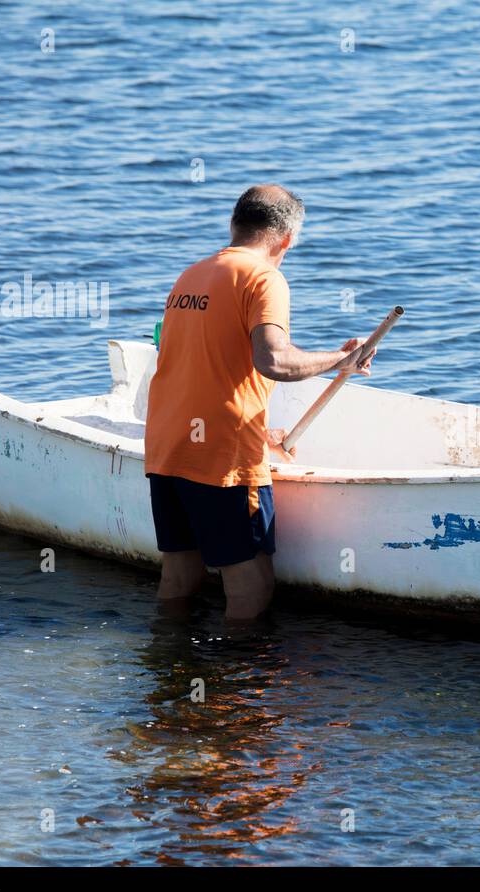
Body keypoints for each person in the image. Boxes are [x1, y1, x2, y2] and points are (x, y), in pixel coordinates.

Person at [144, 184, 374, 619]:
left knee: (180, 577)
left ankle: (166, 670)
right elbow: (273, 361)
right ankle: (236, 683)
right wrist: (342, 359)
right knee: (251, 584)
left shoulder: (192, 274)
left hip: (168, 446)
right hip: (221, 460)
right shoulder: (264, 278)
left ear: (234, 225)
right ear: (286, 239)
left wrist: (262, 430)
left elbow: (201, 369)